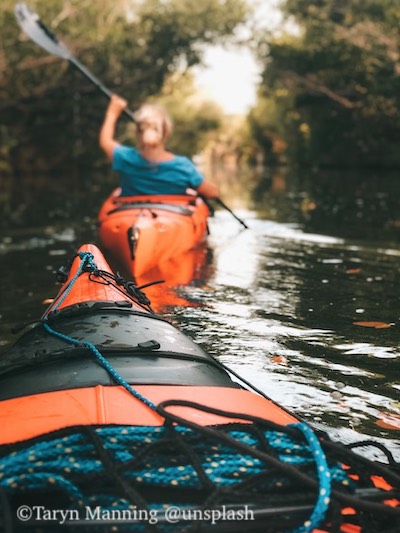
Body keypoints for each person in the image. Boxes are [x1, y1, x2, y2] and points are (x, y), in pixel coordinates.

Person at [99, 95, 219, 198]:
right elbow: (212, 193)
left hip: (130, 219)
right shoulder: (183, 167)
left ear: (137, 133)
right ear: (167, 132)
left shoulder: (126, 158)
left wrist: (112, 113)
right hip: (172, 221)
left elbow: (105, 141)